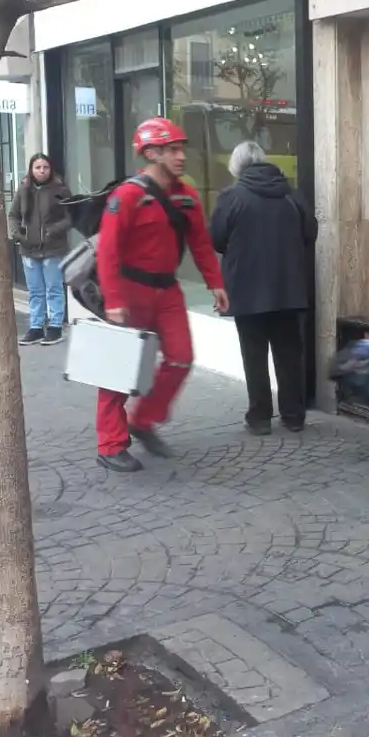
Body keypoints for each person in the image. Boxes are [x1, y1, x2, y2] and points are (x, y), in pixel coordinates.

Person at [94, 117, 229, 473]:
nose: (181, 156)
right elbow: (108, 252)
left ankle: (142, 420)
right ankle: (110, 444)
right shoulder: (128, 196)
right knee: (119, 369)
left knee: (181, 358)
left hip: (167, 291)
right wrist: (114, 301)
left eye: (181, 149)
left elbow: (201, 243)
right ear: (151, 153)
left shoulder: (186, 197)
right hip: (130, 291)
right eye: (172, 150)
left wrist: (215, 283)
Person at [210, 141, 318, 436]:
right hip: (288, 289)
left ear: (236, 166)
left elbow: (216, 239)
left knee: (254, 355)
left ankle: (259, 418)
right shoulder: (291, 195)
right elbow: (311, 233)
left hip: (246, 289)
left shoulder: (231, 197)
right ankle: (293, 416)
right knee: (289, 354)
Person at [9, 153, 74, 346]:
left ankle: (55, 327)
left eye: (45, 167)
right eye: (37, 167)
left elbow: (71, 217)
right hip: (29, 248)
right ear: (31, 169)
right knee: (35, 291)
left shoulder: (60, 189)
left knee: (54, 288)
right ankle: (36, 327)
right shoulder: (24, 189)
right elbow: (13, 214)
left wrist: (53, 230)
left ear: (50, 169)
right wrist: (17, 233)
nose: (42, 171)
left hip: (53, 248)